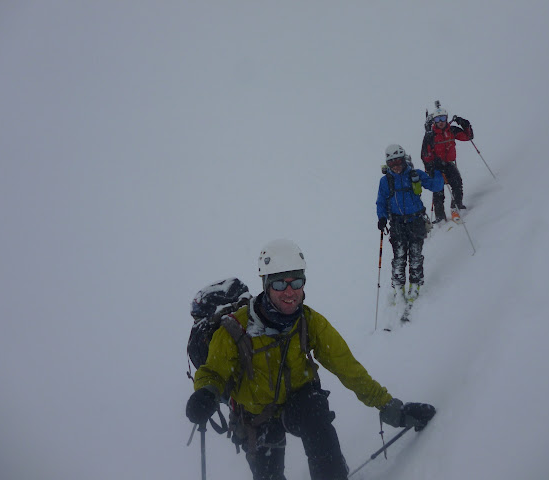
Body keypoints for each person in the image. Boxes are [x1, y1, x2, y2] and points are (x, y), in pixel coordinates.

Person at [185, 238, 436, 480]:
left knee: (318, 423)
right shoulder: (233, 329)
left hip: (300, 402)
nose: (290, 292)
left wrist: (390, 407)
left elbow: (348, 368)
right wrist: (206, 392)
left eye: (297, 282)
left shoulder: (309, 321)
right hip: (254, 417)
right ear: (266, 284)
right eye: (280, 284)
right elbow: (213, 372)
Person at [376, 144, 444, 302]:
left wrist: (437, 171)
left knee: (415, 255)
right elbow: (381, 202)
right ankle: (398, 288)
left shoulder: (415, 174)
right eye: (392, 163)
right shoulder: (385, 181)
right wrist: (381, 217)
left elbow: (436, 186)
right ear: (387, 163)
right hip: (397, 224)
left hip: (416, 221)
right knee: (399, 257)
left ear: (404, 159)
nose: (396, 166)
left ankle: (415, 285)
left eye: (398, 161)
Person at [421, 106, 474, 223]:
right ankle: (440, 216)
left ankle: (456, 206)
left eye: (443, 118)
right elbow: (425, 154)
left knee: (457, 182)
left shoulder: (451, 130)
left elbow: (468, 136)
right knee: (438, 189)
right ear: (434, 121)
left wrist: (465, 124)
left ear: (446, 118)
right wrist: (432, 165)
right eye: (437, 119)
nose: (440, 122)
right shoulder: (430, 135)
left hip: (448, 164)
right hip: (436, 166)